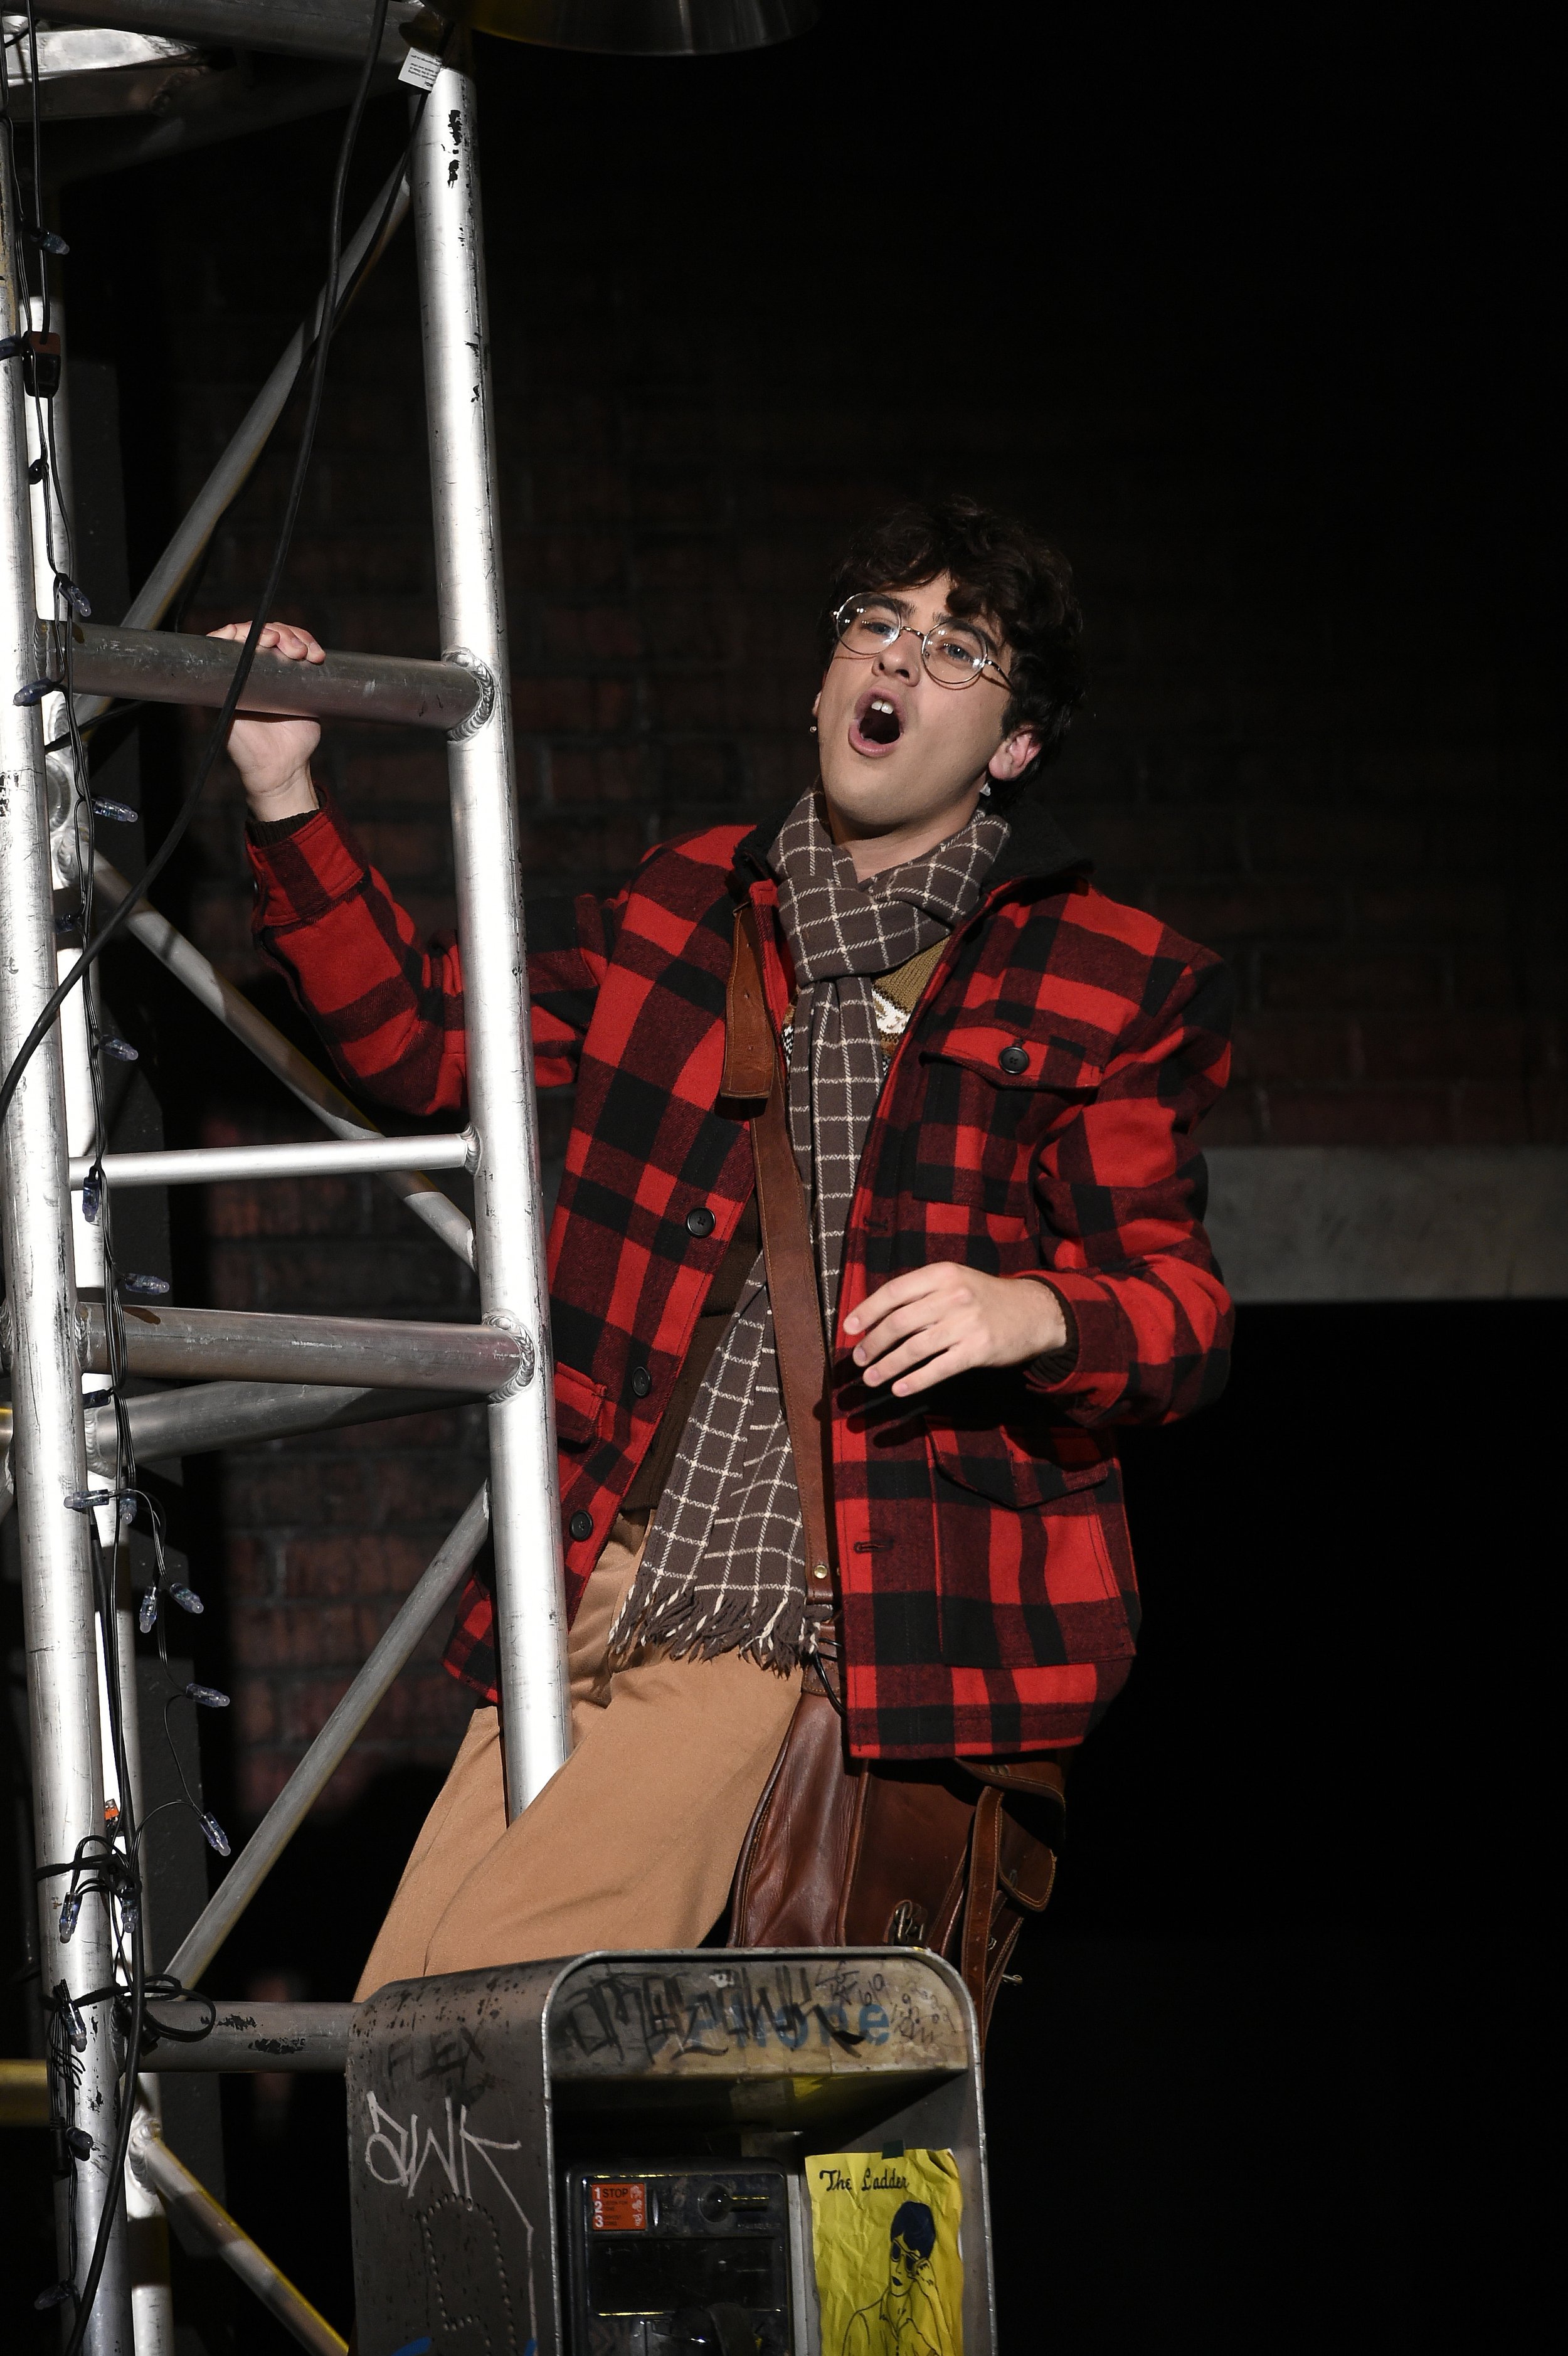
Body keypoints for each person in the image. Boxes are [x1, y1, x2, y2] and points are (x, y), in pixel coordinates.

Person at [215, 497, 1233, 1998]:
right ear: (824, 683)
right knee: (407, 2033)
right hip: (594, 1568)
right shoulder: (683, 907)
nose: (899, 658)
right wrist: (286, 793)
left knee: (478, 2011)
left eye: (957, 649)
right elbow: (431, 1043)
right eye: (875, 624)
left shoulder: (1104, 975)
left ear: (1015, 742)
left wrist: (1031, 1311)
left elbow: (1183, 1318)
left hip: (794, 1611)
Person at [842, 2202, 951, 2356]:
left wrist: (933, 2298)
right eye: (896, 2251)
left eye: (909, 2262)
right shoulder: (862, 2324)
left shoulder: (918, 2336)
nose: (899, 2269)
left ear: (920, 2269)